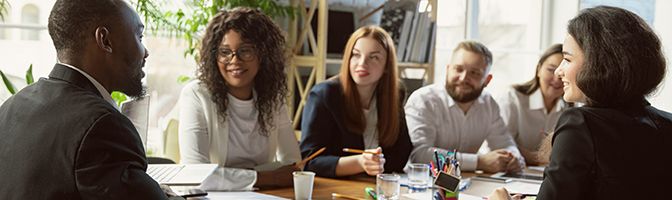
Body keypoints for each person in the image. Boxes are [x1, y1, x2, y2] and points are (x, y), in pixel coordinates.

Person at [489, 6, 671, 200]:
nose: (559, 71)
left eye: (567, 59)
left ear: (599, 64)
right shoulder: (667, 124)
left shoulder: (580, 124)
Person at [0, 0, 175, 199]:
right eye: (139, 36)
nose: (145, 52)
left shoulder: (10, 108)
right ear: (105, 40)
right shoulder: (102, 126)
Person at [178, 7, 301, 190]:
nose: (235, 60)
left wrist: (228, 176)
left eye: (246, 51)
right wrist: (267, 177)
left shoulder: (272, 96)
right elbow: (195, 173)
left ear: (263, 54)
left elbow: (293, 164)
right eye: (225, 52)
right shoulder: (196, 95)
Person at [300, 26, 412, 178]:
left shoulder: (394, 94)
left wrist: (378, 163)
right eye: (356, 55)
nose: (362, 63)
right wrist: (359, 163)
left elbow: (401, 155)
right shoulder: (324, 95)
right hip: (336, 188)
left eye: (374, 57)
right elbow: (308, 162)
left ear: (387, 66)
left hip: (374, 188)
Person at [405, 41, 525, 173]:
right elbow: (420, 155)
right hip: (422, 185)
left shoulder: (489, 104)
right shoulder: (423, 100)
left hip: (467, 185)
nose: (463, 78)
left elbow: (505, 143)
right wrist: (479, 162)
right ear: (448, 69)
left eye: (474, 73)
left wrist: (514, 158)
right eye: (458, 69)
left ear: (487, 80)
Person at [496, 44, 570, 166]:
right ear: (538, 70)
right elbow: (501, 143)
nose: (557, 79)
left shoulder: (570, 109)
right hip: (509, 169)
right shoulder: (513, 98)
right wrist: (537, 158)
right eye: (551, 70)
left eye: (563, 72)